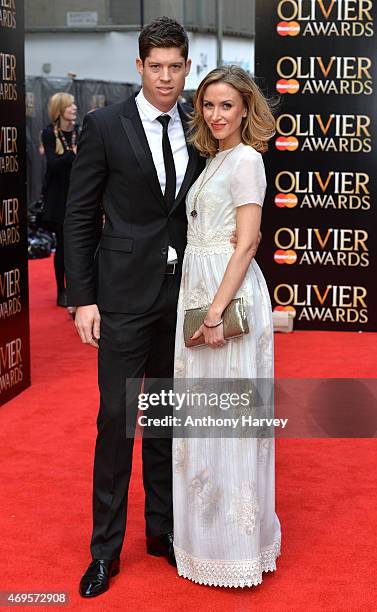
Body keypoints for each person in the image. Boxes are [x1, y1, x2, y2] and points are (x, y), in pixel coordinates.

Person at [64, 18, 210, 598]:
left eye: (176, 66)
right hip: (121, 298)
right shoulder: (103, 126)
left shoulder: (200, 127)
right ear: (139, 68)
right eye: (157, 67)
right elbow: (77, 216)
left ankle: (163, 533)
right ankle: (104, 551)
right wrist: (84, 298)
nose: (167, 77)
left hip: (180, 299)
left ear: (187, 66)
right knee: (117, 422)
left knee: (166, 422)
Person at [172, 65, 282, 587]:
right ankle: (205, 541)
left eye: (227, 106)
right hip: (200, 292)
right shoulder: (215, 159)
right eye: (209, 105)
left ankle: (236, 550)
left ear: (245, 109)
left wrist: (216, 311)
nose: (216, 115)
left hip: (226, 298)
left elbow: (247, 243)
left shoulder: (247, 162)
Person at [41, 93, 79, 307]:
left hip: (78, 195)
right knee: (63, 247)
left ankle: (77, 288)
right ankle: (61, 290)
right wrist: (72, 154)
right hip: (58, 199)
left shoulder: (79, 130)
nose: (74, 108)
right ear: (60, 109)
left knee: (79, 245)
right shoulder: (48, 133)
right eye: (70, 105)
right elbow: (53, 165)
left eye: (74, 104)